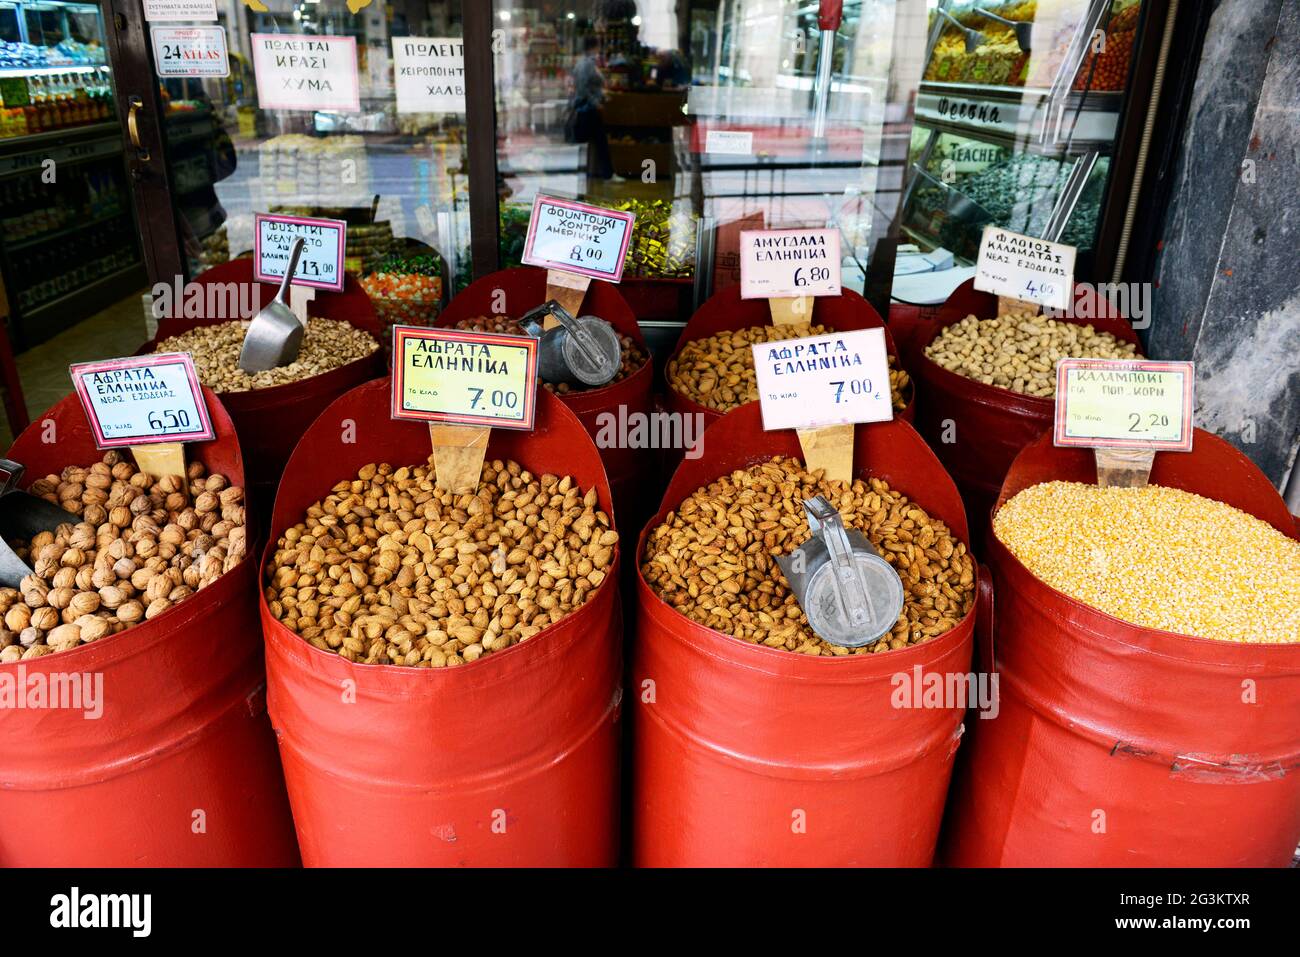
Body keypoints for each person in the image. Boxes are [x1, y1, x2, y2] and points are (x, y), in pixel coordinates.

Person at [566, 35, 614, 180]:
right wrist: (596, 102)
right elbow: (583, 88)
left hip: (588, 107)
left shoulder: (585, 63)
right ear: (594, 47)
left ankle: (599, 173)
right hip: (588, 109)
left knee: (598, 141)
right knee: (600, 141)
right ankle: (607, 174)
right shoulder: (586, 64)